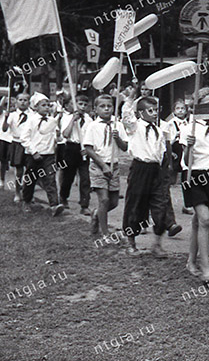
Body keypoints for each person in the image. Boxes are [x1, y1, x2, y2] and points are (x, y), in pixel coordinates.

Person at [120, 96, 181, 256]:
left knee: (160, 204)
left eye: (156, 110)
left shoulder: (159, 130)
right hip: (140, 169)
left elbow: (161, 151)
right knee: (136, 205)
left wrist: (165, 167)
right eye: (150, 111)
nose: (154, 113)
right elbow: (126, 116)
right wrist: (129, 99)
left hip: (156, 169)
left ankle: (157, 244)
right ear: (140, 113)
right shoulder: (135, 127)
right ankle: (131, 242)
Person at [181, 87, 209, 282]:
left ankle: (191, 261)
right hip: (195, 176)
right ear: (198, 106)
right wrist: (189, 146)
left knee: (199, 222)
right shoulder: (189, 129)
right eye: (208, 105)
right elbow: (186, 160)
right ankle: (205, 266)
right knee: (205, 220)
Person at [82, 95, 123, 242]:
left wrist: (117, 138)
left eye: (109, 106)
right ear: (95, 109)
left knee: (113, 202)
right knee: (104, 200)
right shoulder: (92, 126)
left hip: (114, 166)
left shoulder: (118, 125)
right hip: (98, 165)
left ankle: (96, 214)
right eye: (102, 106)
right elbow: (88, 148)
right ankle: (105, 233)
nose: (106, 109)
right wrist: (103, 166)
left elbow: (125, 147)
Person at [21, 93, 65, 216]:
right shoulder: (31, 120)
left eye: (48, 105)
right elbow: (24, 138)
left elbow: (57, 137)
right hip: (33, 155)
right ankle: (27, 201)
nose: (47, 108)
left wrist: (57, 136)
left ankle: (54, 205)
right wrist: (33, 152)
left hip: (49, 155)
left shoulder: (52, 121)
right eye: (43, 105)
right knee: (30, 179)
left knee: (50, 179)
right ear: (36, 107)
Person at [59, 94, 92, 214]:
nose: (82, 107)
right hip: (71, 148)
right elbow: (65, 134)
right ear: (74, 104)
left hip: (84, 149)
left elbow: (90, 135)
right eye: (80, 104)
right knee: (68, 176)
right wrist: (73, 120)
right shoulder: (67, 118)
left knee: (85, 178)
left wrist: (88, 148)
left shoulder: (89, 119)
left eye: (85, 105)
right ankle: (63, 197)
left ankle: (84, 204)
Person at [5, 92, 32, 203]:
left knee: (30, 171)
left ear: (29, 102)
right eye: (20, 100)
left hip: (29, 144)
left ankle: (28, 193)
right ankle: (17, 192)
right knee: (19, 171)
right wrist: (6, 118)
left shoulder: (33, 115)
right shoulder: (12, 115)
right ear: (16, 102)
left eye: (25, 100)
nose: (23, 102)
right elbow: (4, 129)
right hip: (17, 143)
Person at [169, 98, 192, 215]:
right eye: (178, 108)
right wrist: (176, 136)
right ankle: (167, 203)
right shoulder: (171, 123)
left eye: (182, 108)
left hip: (184, 152)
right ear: (174, 111)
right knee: (171, 179)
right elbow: (168, 141)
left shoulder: (189, 123)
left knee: (185, 178)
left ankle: (187, 204)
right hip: (175, 152)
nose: (180, 111)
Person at [0, 97, 14, 188]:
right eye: (9, 105)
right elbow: (0, 105)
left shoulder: (15, 115)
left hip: (12, 139)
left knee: (15, 162)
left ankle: (17, 181)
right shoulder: (2, 114)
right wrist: (5, 96)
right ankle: (2, 180)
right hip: (3, 139)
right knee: (3, 161)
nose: (11, 107)